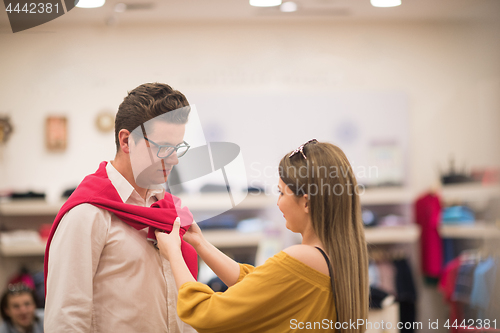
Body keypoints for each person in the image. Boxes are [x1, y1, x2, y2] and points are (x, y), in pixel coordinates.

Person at [156, 139, 370, 333]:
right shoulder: (340, 257)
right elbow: (255, 283)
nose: (278, 203)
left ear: (306, 202)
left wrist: (173, 253)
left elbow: (206, 314)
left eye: (281, 192)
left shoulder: (303, 257)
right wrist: (199, 243)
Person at [44, 83, 198, 332]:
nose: (174, 159)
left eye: (178, 147)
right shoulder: (87, 215)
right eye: (163, 148)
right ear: (127, 141)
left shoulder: (168, 209)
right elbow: (66, 318)